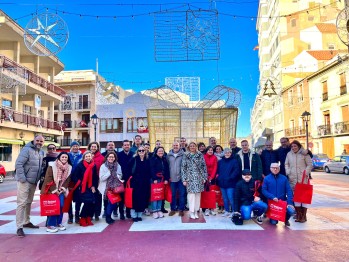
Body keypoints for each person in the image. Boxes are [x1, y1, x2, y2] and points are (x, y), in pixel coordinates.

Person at [15, 135, 45, 237]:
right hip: (24, 181)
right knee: (21, 203)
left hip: (33, 182)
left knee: (28, 202)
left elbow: (40, 167)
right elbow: (19, 164)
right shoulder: (26, 150)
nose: (39, 142)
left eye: (41, 141)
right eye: (37, 140)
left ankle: (26, 221)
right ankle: (19, 227)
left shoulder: (41, 152)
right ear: (34, 140)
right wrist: (22, 178)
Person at [40, 152, 72, 233]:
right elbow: (48, 179)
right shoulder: (52, 165)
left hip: (61, 190)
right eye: (62, 157)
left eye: (66, 157)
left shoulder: (69, 167)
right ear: (59, 157)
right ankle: (50, 225)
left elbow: (67, 179)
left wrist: (62, 188)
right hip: (50, 189)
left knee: (61, 206)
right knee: (53, 207)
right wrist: (55, 190)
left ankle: (59, 222)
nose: (64, 158)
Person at [285, 140, 312, 223]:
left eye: (295, 146)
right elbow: (286, 164)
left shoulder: (304, 153)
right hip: (292, 178)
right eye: (292, 146)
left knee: (304, 198)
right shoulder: (289, 154)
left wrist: (306, 172)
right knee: (296, 197)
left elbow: (310, 164)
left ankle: (303, 216)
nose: (293, 148)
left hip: (303, 178)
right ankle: (299, 215)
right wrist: (288, 172)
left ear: (299, 146)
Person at [181, 142, 208, 219]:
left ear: (196, 147)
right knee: (191, 195)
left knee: (198, 195)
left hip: (199, 178)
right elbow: (183, 168)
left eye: (194, 146)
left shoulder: (200, 155)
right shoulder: (186, 155)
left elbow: (204, 167)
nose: (192, 147)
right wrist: (184, 179)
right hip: (189, 178)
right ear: (189, 147)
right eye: (191, 146)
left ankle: (196, 211)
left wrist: (204, 177)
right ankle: (191, 211)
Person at [72, 151, 99, 227]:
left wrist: (93, 185)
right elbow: (74, 176)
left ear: (91, 157)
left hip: (90, 186)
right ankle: (82, 218)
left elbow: (94, 177)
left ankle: (88, 217)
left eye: (89, 156)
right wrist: (80, 183)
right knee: (87, 202)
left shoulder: (93, 165)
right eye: (86, 156)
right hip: (82, 187)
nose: (88, 158)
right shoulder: (80, 165)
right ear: (84, 157)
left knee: (92, 202)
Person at [126, 146, 151, 221]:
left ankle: (139, 215)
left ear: (145, 151)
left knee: (142, 199)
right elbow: (128, 170)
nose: (141, 152)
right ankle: (134, 216)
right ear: (137, 152)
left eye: (143, 150)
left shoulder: (147, 160)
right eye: (139, 150)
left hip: (144, 183)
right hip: (135, 182)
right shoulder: (134, 159)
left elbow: (149, 171)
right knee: (134, 199)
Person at [99, 151, 123, 224]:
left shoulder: (117, 165)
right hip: (107, 187)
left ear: (115, 158)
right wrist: (109, 172)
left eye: (112, 157)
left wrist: (116, 175)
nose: (111, 158)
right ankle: (108, 217)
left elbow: (120, 175)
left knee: (114, 203)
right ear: (107, 158)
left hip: (115, 187)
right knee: (111, 203)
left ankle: (108, 215)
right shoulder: (103, 166)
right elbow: (101, 178)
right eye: (110, 157)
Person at [217, 148, 240, 217]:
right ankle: (226, 210)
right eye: (226, 152)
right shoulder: (220, 162)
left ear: (231, 153)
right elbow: (218, 171)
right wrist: (219, 178)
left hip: (230, 183)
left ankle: (233, 211)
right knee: (225, 198)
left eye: (229, 152)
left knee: (231, 197)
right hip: (222, 182)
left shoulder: (234, 161)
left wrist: (230, 178)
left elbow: (236, 171)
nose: (227, 154)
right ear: (224, 153)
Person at [149, 146, 170, 218]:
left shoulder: (164, 159)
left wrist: (166, 179)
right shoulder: (153, 159)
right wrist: (154, 178)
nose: (161, 152)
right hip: (155, 180)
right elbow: (151, 169)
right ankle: (154, 210)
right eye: (159, 151)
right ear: (156, 152)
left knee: (160, 195)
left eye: (162, 151)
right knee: (155, 195)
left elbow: (167, 170)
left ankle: (159, 210)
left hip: (162, 180)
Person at [167, 142, 185, 216]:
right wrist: (168, 177)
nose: (175, 146)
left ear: (179, 146)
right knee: (173, 195)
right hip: (172, 178)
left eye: (176, 145)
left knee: (182, 194)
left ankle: (181, 209)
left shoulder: (183, 155)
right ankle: (173, 209)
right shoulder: (168, 155)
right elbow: (167, 167)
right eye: (174, 145)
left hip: (181, 178)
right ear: (172, 146)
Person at [117, 140, 134, 219]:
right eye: (125, 145)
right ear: (122, 146)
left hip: (131, 179)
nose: (127, 146)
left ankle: (128, 212)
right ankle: (121, 213)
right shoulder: (119, 155)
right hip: (121, 179)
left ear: (130, 146)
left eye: (128, 145)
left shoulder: (133, 155)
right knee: (121, 197)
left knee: (129, 196)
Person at [87, 142, 104, 221]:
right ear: (90, 147)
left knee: (98, 198)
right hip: (88, 180)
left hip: (97, 179)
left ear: (97, 148)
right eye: (92, 146)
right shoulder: (86, 156)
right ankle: (90, 213)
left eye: (95, 147)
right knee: (89, 198)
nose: (93, 148)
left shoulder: (101, 157)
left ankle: (97, 214)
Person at [67, 141, 83, 224]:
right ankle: (70, 216)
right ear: (71, 147)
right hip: (69, 180)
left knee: (78, 199)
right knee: (69, 198)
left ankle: (77, 215)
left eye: (77, 146)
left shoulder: (82, 156)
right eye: (74, 146)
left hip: (78, 180)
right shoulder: (67, 155)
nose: (75, 147)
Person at [203, 145, 218, 216]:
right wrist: (206, 177)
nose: (210, 151)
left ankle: (212, 208)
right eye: (209, 150)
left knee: (212, 194)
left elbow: (215, 167)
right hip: (205, 178)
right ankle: (206, 209)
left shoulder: (215, 158)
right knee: (206, 194)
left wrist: (211, 177)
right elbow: (202, 167)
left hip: (212, 178)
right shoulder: (203, 157)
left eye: (211, 150)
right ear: (206, 151)